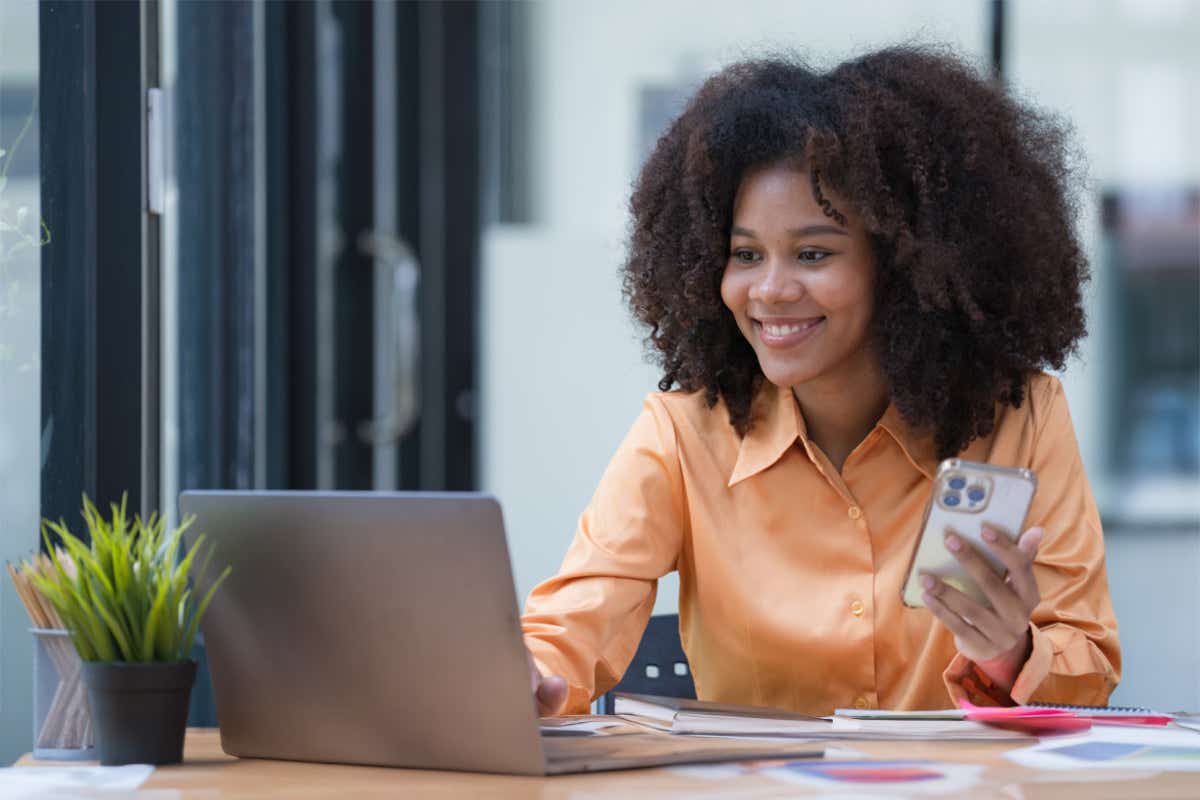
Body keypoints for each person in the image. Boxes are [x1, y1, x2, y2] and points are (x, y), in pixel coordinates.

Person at [522, 45, 1120, 717]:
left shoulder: (1021, 418)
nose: (771, 290)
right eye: (745, 255)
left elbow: (1088, 670)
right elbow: (573, 621)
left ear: (903, 266)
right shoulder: (681, 435)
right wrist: (532, 677)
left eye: (813, 253)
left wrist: (1009, 653)